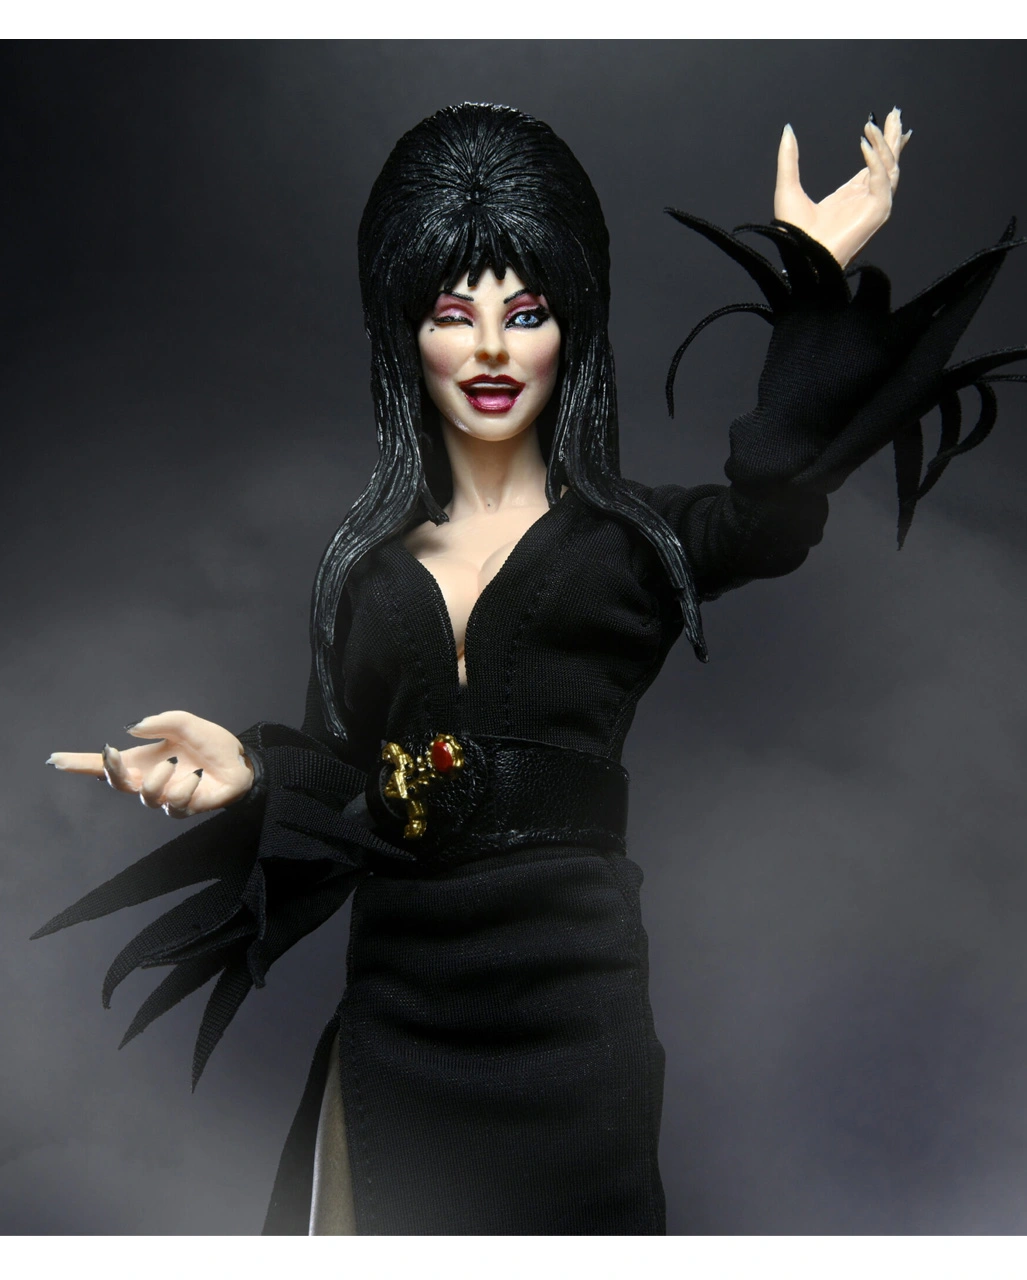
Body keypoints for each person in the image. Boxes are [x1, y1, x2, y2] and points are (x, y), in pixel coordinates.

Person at [36, 103, 1025, 1235]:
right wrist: (251, 773)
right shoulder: (362, 569)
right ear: (406, 334)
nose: (492, 351)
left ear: (571, 328)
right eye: (453, 315)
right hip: (400, 1003)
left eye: (526, 313)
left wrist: (808, 278)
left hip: (573, 1009)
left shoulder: (636, 541)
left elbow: (773, 515)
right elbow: (347, 773)